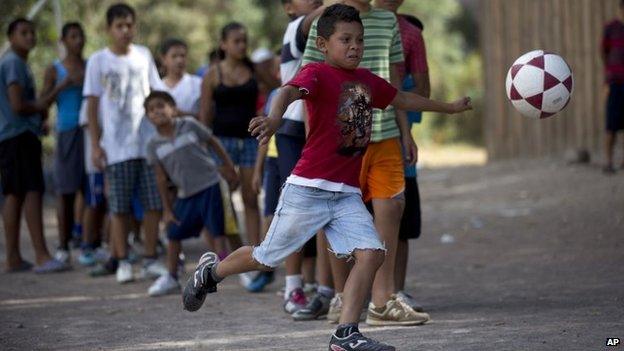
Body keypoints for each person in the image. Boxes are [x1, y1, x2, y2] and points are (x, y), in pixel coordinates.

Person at [181, 5, 471, 350]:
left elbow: (402, 98)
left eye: (359, 40)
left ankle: (346, 334)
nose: (354, 47)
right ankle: (210, 273)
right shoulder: (316, 73)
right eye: (345, 39)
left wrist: (449, 108)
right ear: (322, 44)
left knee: (372, 253)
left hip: (346, 193)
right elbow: (285, 92)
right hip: (309, 189)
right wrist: (274, 120)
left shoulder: (367, 81)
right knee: (264, 256)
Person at [303, 0, 427, 326]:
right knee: (338, 218)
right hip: (340, 141)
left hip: (385, 134)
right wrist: (314, 140)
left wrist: (406, 133)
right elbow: (307, 87)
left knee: (391, 209)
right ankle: (343, 296)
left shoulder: (388, 22)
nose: (354, 45)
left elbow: (396, 84)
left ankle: (382, 302)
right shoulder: (327, 24)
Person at [83, 3, 166, 284]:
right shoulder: (98, 61)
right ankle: (121, 260)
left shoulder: (143, 55)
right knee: (118, 207)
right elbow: (92, 105)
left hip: (146, 143)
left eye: (129, 25)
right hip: (116, 147)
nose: (125, 30)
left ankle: (151, 258)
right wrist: (96, 144)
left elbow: (156, 93)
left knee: (154, 204)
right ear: (109, 29)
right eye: (119, 26)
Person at [275, 0, 337, 319]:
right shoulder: (296, 28)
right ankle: (293, 287)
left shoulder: (333, 32)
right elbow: (315, 17)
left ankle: (326, 290)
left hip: (323, 129)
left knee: (328, 209)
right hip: (293, 130)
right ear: (288, 7)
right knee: (297, 212)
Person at [144, 91, 237, 296]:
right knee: (173, 233)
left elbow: (212, 141)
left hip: (210, 185)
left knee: (217, 231)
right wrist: (167, 209)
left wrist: (228, 166)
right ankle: (171, 276)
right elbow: (160, 178)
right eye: (151, 110)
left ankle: (221, 272)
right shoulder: (152, 145)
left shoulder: (189, 124)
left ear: (172, 108)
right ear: (148, 117)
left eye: (160, 106)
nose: (156, 112)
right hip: (185, 194)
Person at [1, 18, 71, 273]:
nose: (30, 37)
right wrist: (55, 92)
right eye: (23, 32)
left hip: (13, 136)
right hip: (18, 136)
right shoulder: (13, 64)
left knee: (15, 193)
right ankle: (41, 255)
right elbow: (18, 105)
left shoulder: (16, 63)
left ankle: (13, 257)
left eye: (32, 32)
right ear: (11, 37)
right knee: (29, 192)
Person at [374, 0, 430, 313]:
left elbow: (423, 89)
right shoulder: (349, 24)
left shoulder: (409, 34)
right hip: (358, 139)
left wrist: (398, 92)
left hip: (394, 136)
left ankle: (395, 292)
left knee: (400, 219)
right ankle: (372, 292)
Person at [199, 22, 261, 251]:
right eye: (236, 41)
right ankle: (237, 251)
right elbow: (205, 115)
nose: (242, 45)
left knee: (251, 198)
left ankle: (256, 252)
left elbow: (279, 89)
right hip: (221, 143)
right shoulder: (212, 75)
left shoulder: (255, 70)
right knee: (225, 201)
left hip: (249, 141)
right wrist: (207, 151)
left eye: (244, 40)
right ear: (223, 44)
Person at [41, 22, 87, 266]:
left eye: (81, 36)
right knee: (65, 191)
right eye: (72, 36)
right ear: (63, 40)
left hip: (89, 132)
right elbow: (42, 102)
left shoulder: (90, 66)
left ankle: (88, 242)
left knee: (89, 192)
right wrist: (64, 84)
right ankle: (62, 244)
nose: (78, 41)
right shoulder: (55, 69)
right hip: (66, 130)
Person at [601, 0, 624, 174]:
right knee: (611, 125)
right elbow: (603, 53)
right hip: (615, 83)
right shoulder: (611, 28)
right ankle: (608, 162)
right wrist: (608, 79)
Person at [156, 38, 202, 118]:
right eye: (174, 56)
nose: (179, 60)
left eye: (183, 56)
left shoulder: (198, 84)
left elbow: (207, 115)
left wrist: (182, 114)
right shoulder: (157, 87)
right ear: (163, 59)